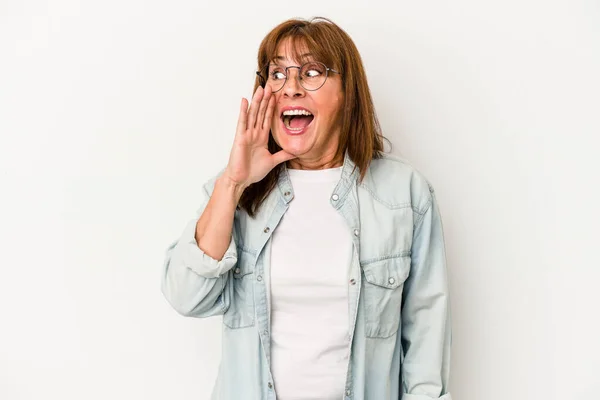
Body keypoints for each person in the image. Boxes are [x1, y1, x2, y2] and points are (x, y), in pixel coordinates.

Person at [161, 16, 453, 400]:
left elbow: (427, 335)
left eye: (312, 72)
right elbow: (186, 296)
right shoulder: (236, 190)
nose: (291, 88)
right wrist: (232, 183)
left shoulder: (403, 193)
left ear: (347, 92)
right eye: (277, 74)